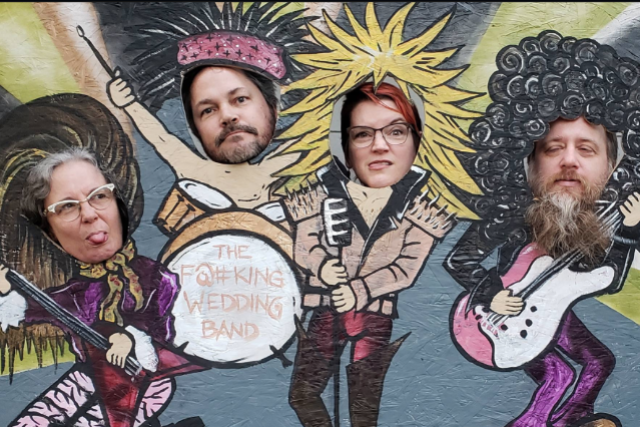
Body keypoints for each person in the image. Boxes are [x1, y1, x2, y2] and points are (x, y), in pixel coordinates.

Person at [446, 116, 640, 427]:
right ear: (531, 160)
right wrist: (491, 294)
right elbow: (460, 259)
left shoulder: (591, 216)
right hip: (490, 323)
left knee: (596, 363)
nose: (570, 162)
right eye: (553, 148)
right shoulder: (510, 212)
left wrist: (629, 230)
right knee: (560, 374)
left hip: (552, 310)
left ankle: (567, 421)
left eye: (587, 150)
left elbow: (609, 277)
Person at [287, 82, 454, 427]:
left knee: (363, 409)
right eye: (362, 134)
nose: (379, 145)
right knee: (303, 394)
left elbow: (405, 269)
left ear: (416, 141)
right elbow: (305, 244)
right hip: (326, 311)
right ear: (345, 146)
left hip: (374, 317)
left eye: (396, 132)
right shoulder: (319, 197)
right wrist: (322, 266)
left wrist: (359, 290)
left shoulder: (421, 213)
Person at [0, 148, 205, 427]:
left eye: (99, 196)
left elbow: (167, 328)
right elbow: (37, 307)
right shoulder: (77, 292)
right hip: (90, 376)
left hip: (148, 381)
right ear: (50, 232)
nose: (89, 214)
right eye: (67, 206)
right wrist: (7, 291)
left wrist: (131, 338)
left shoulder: (154, 277)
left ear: (118, 205)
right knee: (37, 417)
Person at [108, 65, 295, 210]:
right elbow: (162, 139)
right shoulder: (198, 172)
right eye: (208, 110)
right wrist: (129, 104)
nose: (227, 116)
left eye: (240, 99)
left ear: (273, 107)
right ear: (195, 130)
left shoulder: (290, 158)